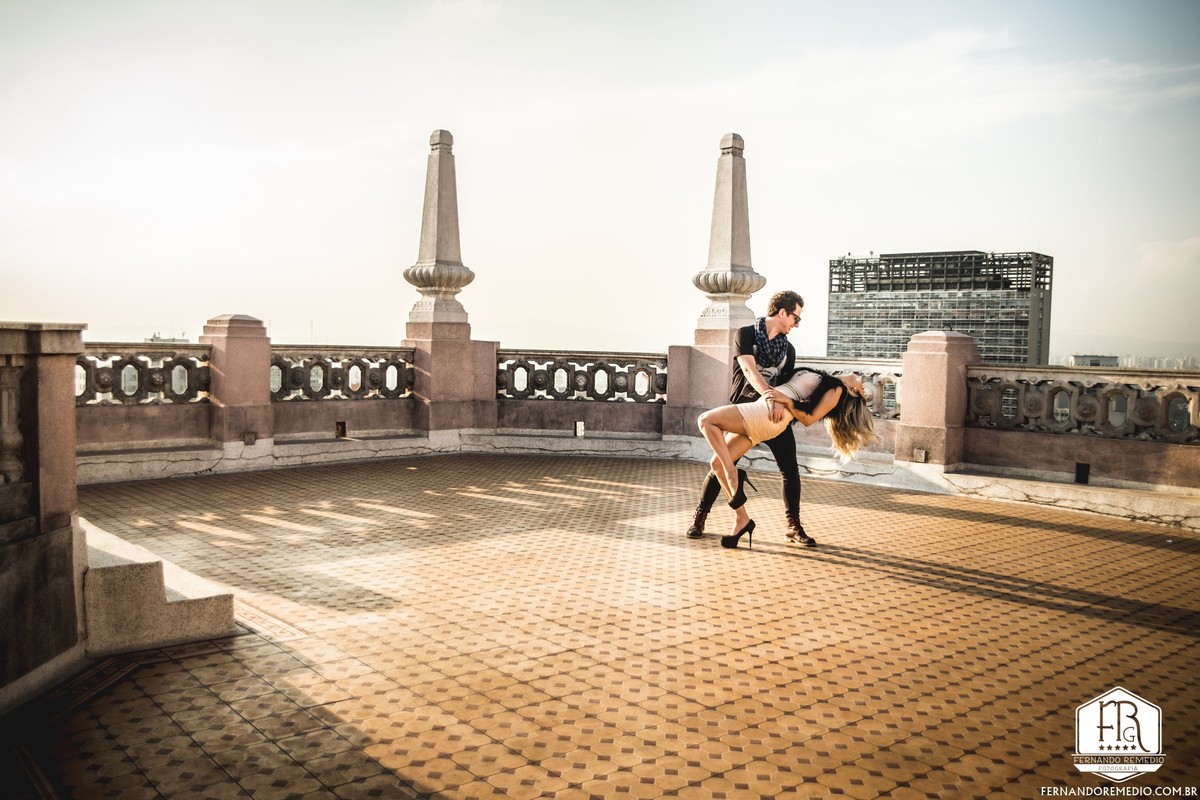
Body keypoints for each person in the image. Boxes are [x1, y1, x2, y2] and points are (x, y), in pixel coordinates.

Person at [696, 368, 878, 549]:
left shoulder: (837, 389)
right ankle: (742, 519)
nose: (863, 385)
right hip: (765, 413)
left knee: (705, 420)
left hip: (765, 415)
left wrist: (787, 402)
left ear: (853, 391)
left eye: (862, 390)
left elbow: (809, 418)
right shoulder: (825, 378)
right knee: (717, 464)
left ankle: (732, 473)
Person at [685, 290, 812, 544]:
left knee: (790, 469)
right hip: (745, 411)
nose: (797, 325)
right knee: (721, 463)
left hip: (773, 415)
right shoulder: (746, 334)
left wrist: (778, 404)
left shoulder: (789, 351)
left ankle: (793, 525)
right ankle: (700, 516)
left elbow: (785, 387)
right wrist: (768, 395)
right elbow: (748, 368)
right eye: (796, 318)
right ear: (782, 312)